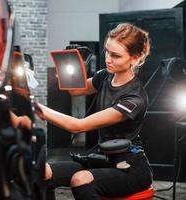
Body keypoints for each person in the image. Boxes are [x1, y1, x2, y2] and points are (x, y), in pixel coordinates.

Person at [35, 23, 153, 200]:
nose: (108, 59)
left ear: (135, 58)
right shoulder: (105, 76)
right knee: (43, 171)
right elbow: (76, 90)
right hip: (100, 159)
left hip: (131, 167)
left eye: (116, 55)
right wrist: (69, 66)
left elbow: (78, 126)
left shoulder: (133, 99)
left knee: (81, 179)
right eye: (107, 51)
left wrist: (38, 107)